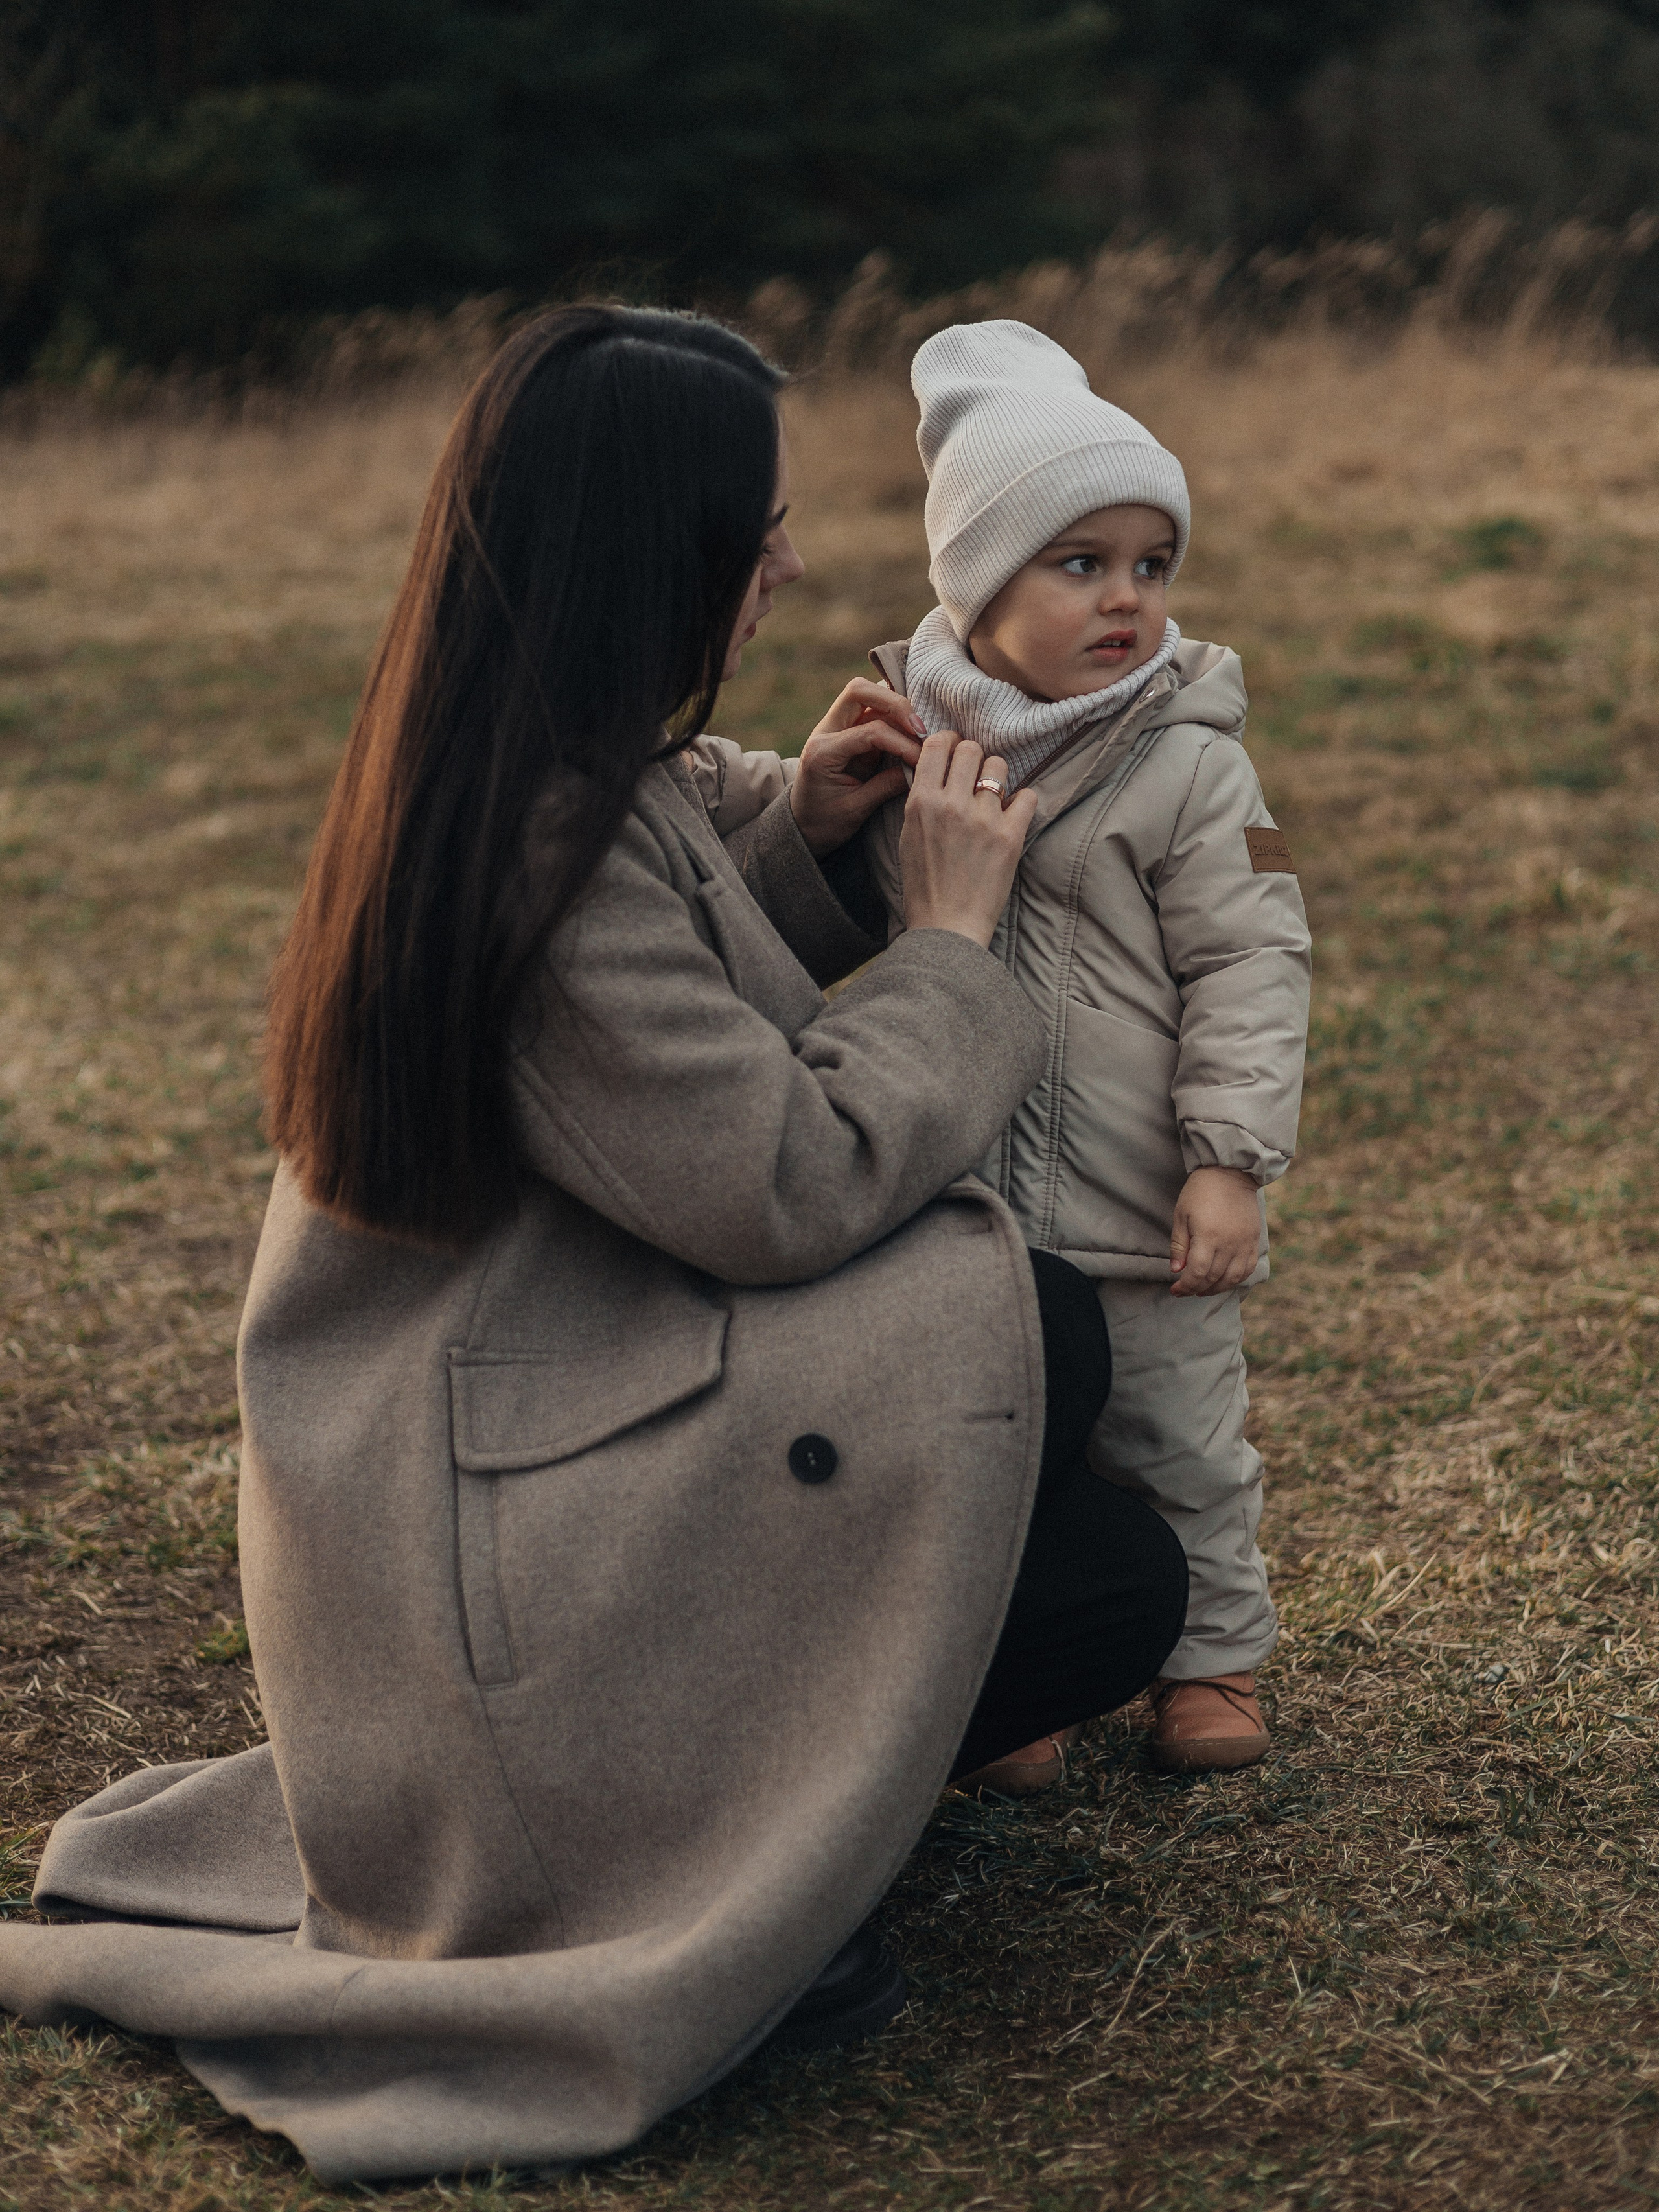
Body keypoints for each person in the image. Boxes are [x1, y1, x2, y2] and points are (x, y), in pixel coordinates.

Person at [0, 307, 1186, 2185]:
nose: (790, 563)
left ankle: (773, 1770)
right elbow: (779, 1175)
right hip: (492, 1570)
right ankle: (708, 1857)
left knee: (1047, 1359)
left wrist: (803, 826)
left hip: (506, 1443)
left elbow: (659, 1022)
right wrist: (949, 945)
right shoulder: (536, 854)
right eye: (762, 531)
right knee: (1112, 1571)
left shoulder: (510, 764)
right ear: (663, 557)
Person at [863, 320, 1312, 1784]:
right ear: (977, 582)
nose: (1126, 598)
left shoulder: (1189, 760)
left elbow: (1252, 958)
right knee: (995, 1458)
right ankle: (1024, 1679)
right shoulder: (907, 744)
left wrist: (1226, 1163)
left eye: (1150, 564)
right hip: (961, 1214)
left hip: (1134, 1207)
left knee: (1178, 1443)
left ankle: (1213, 1660)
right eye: (1079, 563)